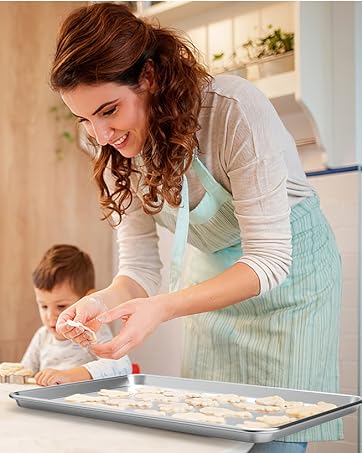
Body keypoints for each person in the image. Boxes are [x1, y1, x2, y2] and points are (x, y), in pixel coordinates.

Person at [52, 3, 342, 451]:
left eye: (110, 110)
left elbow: (269, 259)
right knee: (213, 435)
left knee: (274, 439)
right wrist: (102, 303)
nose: (101, 134)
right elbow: (140, 270)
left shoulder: (231, 110)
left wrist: (164, 308)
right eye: (85, 120)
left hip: (291, 288)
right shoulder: (111, 150)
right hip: (209, 292)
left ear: (147, 76)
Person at [22, 244, 131, 386]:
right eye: (43, 306)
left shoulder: (93, 333)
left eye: (61, 306)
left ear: (89, 299)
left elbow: (122, 366)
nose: (50, 316)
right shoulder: (42, 336)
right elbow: (23, 373)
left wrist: (69, 375)